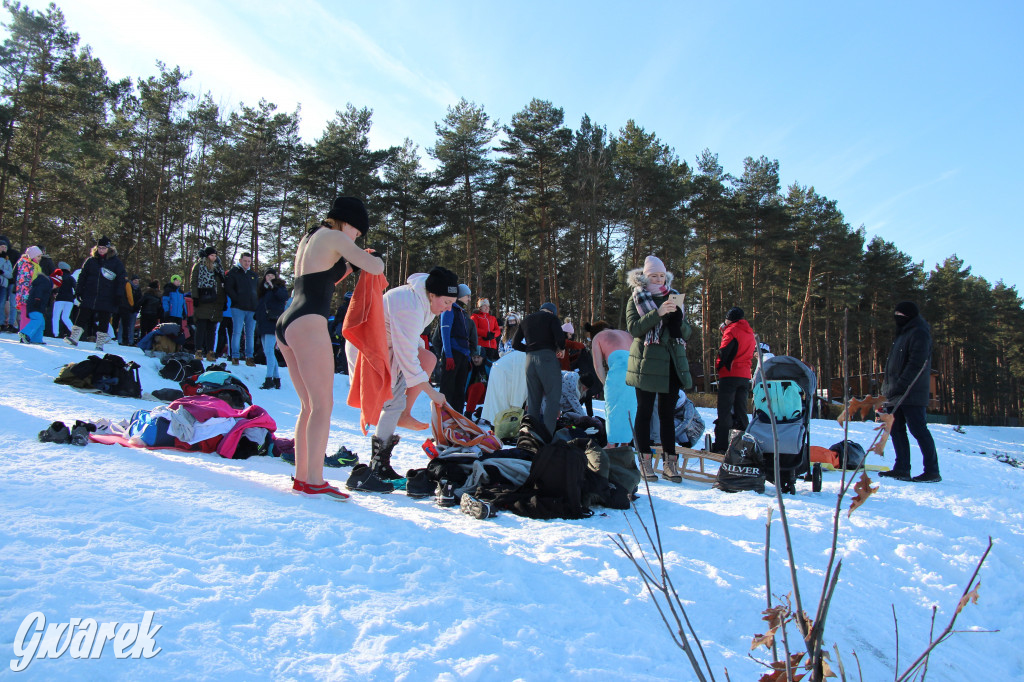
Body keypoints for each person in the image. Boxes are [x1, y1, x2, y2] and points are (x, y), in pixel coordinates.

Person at [276, 197, 384, 499]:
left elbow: (326, 277)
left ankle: (303, 477)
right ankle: (314, 479)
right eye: (357, 232)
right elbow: (375, 267)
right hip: (309, 323)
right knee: (322, 406)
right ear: (348, 222)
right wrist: (373, 258)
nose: (356, 238)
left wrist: (350, 264)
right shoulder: (336, 236)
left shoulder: (311, 237)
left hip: (288, 321)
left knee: (309, 406)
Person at [346, 266, 456, 490]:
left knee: (427, 358)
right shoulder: (410, 305)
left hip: (387, 348)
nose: (449, 308)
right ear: (432, 295)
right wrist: (432, 393)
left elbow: (410, 342)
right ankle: (378, 465)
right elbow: (407, 357)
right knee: (392, 403)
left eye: (452, 303)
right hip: (368, 350)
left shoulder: (423, 299)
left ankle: (403, 414)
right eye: (446, 302)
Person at [625, 255, 693, 483]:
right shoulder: (637, 298)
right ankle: (644, 462)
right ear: (645, 277)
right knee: (644, 412)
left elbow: (686, 333)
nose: (658, 279)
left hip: (672, 363)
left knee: (667, 415)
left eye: (661, 275)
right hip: (646, 363)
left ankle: (670, 464)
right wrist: (658, 313)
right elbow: (634, 329)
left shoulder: (674, 297)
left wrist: (677, 320)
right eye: (653, 275)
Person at [878, 301, 941, 483]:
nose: (898, 318)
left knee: (918, 430)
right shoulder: (902, 334)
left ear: (910, 316)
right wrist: (888, 389)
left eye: (901, 315)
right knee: (896, 430)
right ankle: (902, 468)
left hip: (912, 392)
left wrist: (901, 385)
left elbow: (916, 364)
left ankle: (932, 470)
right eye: (896, 314)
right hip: (895, 392)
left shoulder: (919, 333)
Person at [512, 301, 566, 438]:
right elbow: (560, 339)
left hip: (529, 360)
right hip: (547, 359)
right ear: (552, 312)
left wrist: (530, 349)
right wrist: (561, 348)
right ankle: (547, 437)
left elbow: (515, 343)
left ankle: (531, 436)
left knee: (533, 400)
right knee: (553, 398)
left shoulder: (526, 320)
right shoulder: (552, 318)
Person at [67, 237, 127, 351]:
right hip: (90, 293)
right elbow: (82, 276)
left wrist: (118, 295)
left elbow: (121, 280)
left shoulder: (116, 262)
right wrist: (79, 290)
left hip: (107, 295)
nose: (101, 250)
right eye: (99, 248)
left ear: (109, 248)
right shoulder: (91, 261)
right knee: (82, 314)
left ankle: (100, 343)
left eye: (104, 248)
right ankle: (74, 337)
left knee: (104, 319)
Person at [712, 306, 755, 454]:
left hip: (730, 374)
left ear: (729, 319)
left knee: (725, 411)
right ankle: (743, 445)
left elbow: (724, 351)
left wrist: (718, 366)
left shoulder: (731, 330)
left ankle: (722, 445)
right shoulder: (749, 332)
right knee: (741, 410)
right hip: (745, 375)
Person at [591, 327, 637, 446]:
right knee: (629, 410)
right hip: (634, 373)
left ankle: (611, 445)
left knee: (613, 410)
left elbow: (598, 366)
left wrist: (605, 383)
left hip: (618, 373)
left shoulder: (598, 337)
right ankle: (625, 445)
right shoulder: (626, 334)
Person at [439, 283, 474, 413]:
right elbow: (445, 333)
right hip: (453, 353)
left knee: (460, 389)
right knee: (448, 388)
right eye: (467, 296)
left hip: (463, 354)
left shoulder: (461, 312)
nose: (469, 299)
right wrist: (448, 355)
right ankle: (443, 417)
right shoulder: (449, 309)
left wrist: (468, 355)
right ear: (460, 296)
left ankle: (458, 417)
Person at [189, 246, 227, 361]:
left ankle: (210, 351)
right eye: (211, 255)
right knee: (201, 327)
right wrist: (195, 297)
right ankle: (198, 350)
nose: (213, 258)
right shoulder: (199, 266)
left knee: (212, 328)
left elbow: (222, 285)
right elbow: (194, 282)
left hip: (216, 302)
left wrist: (224, 300)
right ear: (207, 256)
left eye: (215, 255)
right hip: (203, 299)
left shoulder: (219, 268)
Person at [255, 268, 288, 390]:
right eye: (268, 275)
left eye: (272, 275)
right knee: (268, 351)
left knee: (269, 351)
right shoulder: (263, 289)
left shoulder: (279, 287)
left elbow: (283, 297)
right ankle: (276, 378)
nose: (269, 277)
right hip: (263, 323)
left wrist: (273, 287)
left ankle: (269, 379)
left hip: (273, 322)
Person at [225, 252, 260, 366]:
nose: (247, 263)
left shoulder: (253, 275)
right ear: (240, 261)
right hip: (238, 308)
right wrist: (236, 299)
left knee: (250, 334)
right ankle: (235, 356)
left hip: (252, 309)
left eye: (249, 261)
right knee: (237, 332)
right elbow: (229, 288)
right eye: (245, 261)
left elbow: (257, 291)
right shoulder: (233, 272)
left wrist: (257, 304)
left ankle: (249, 357)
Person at [20, 257, 56, 344]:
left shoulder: (47, 285)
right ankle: (25, 333)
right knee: (37, 320)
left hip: (38, 306)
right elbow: (38, 291)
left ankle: (36, 339)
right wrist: (37, 299)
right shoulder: (45, 282)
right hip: (35, 305)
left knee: (41, 323)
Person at [15, 245, 42, 330]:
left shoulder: (35, 265)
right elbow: (28, 281)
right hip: (26, 294)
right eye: (38, 256)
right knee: (26, 316)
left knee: (30, 316)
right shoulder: (27, 265)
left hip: (31, 294)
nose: (40, 258)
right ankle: (24, 332)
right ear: (32, 256)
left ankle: (28, 333)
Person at [51, 261, 76, 338]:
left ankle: (56, 333)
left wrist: (54, 293)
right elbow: (76, 287)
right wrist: (74, 296)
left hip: (59, 299)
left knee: (56, 316)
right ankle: (74, 332)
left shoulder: (58, 277)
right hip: (69, 300)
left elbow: (54, 287)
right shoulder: (71, 278)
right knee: (65, 317)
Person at [471, 298, 501, 362]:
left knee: (489, 363)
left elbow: (498, 330)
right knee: (480, 364)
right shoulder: (475, 316)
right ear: (480, 307)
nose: (487, 307)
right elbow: (474, 329)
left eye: (488, 306)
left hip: (492, 346)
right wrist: (486, 334)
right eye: (485, 306)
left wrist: (493, 335)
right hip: (480, 345)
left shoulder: (493, 318)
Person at [118, 274, 142, 345]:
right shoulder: (127, 286)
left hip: (134, 310)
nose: (136, 282)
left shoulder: (138, 289)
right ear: (132, 280)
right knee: (122, 325)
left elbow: (140, 300)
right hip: (126, 308)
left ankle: (130, 341)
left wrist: (137, 308)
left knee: (132, 326)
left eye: (137, 281)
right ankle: (120, 339)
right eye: (135, 280)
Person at [0, 237, 13, 332]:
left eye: (5, 247)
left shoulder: (8, 260)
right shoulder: (3, 259)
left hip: (3, 285)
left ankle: (1, 323)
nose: (4, 248)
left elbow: (10, 274)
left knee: (1, 304)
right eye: (2, 247)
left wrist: (2, 272)